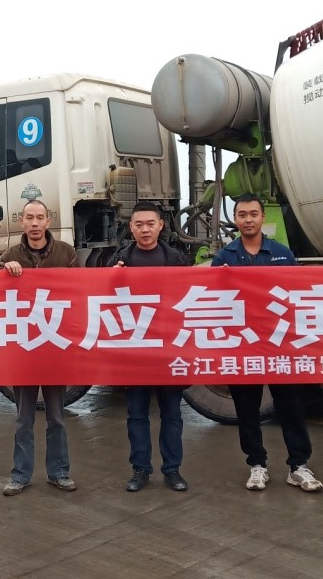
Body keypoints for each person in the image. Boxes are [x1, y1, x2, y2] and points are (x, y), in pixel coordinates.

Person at [211, 195, 323, 493]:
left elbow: (298, 295)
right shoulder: (224, 258)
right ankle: (257, 464)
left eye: (253, 214)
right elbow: (214, 299)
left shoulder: (282, 254)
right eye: (242, 214)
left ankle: (298, 466)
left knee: (291, 406)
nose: (248, 219)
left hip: (278, 344)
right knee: (247, 409)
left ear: (262, 217)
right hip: (242, 344)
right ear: (235, 219)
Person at [108, 201, 190, 492]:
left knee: (172, 414)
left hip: (169, 348)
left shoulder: (176, 259)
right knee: (137, 414)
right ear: (131, 227)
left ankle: (172, 470)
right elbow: (103, 300)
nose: (145, 229)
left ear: (161, 225)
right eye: (139, 224)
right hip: (135, 349)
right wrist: (111, 277)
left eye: (150, 224)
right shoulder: (120, 260)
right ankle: (140, 469)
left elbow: (190, 297)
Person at [0, 199, 79, 496]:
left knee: (57, 417)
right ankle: (20, 475)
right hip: (23, 349)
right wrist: (5, 270)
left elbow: (78, 293)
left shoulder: (66, 253)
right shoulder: (10, 255)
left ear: (48, 221)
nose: (34, 223)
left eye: (40, 217)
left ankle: (59, 472)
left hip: (54, 345)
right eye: (29, 218)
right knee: (24, 418)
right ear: (21, 221)